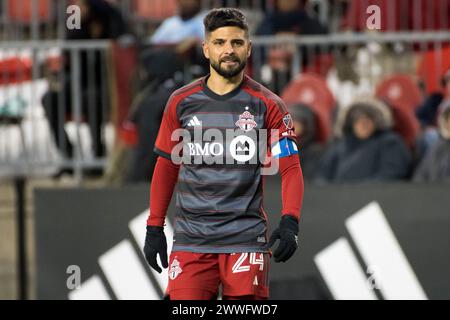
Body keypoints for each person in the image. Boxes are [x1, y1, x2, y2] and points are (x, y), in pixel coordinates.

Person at [143, 8, 304, 300]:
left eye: (237, 43)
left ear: (248, 48)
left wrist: (290, 220)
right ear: (206, 48)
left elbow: (291, 167)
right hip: (191, 243)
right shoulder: (180, 102)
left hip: (245, 242)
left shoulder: (269, 105)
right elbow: (166, 166)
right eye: (219, 43)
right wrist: (154, 226)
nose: (228, 50)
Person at [314, 96, 412, 183]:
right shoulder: (339, 147)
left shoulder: (390, 143)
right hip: (337, 200)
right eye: (357, 119)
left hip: (375, 200)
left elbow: (391, 175)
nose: (363, 124)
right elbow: (322, 176)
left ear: (377, 122)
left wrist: (359, 193)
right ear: (351, 123)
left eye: (368, 119)